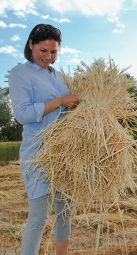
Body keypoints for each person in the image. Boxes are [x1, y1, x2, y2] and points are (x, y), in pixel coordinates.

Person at [8, 24, 82, 255]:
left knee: (64, 211)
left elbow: (66, 109)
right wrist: (60, 101)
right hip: (38, 153)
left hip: (64, 152)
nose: (48, 57)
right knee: (39, 215)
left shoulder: (57, 75)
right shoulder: (20, 73)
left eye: (53, 52)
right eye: (43, 51)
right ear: (31, 45)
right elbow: (23, 114)